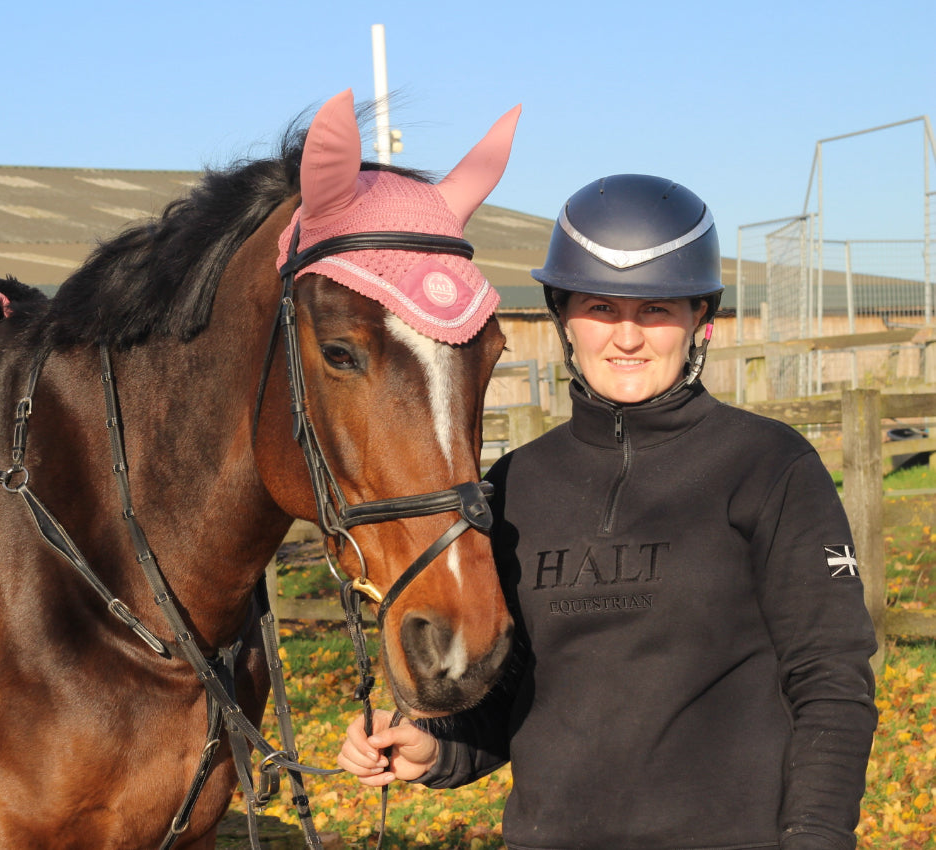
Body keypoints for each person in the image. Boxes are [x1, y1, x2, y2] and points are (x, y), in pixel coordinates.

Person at [337, 174, 878, 849]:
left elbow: (831, 680)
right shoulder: (516, 485)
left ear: (699, 320)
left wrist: (819, 836)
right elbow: (515, 693)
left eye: (655, 310)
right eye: (601, 308)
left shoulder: (768, 466)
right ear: (565, 318)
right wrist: (435, 748)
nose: (627, 337)